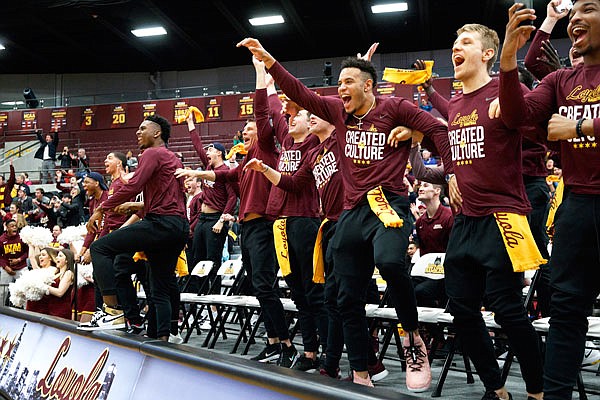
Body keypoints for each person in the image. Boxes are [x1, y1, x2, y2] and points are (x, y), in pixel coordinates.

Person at [237, 38, 449, 390]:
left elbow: (439, 130)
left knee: (392, 263)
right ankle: (361, 374)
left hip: (389, 203)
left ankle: (412, 337)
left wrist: (436, 156)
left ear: (368, 85)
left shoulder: (395, 107)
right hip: (352, 212)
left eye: (347, 82)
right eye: (338, 83)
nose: (340, 88)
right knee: (344, 297)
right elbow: (302, 94)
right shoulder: (337, 113)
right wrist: (270, 61)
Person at [500, 2, 600, 398]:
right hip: (576, 204)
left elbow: (567, 128)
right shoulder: (560, 80)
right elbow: (515, 116)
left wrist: (580, 125)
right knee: (566, 314)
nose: (575, 18)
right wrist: (507, 58)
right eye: (571, 12)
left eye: (587, 9)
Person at [175, 108, 292, 366]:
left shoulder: (265, 154)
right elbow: (220, 174)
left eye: (249, 130)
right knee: (258, 286)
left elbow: (229, 189)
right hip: (248, 228)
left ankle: (287, 345)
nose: (244, 134)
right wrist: (195, 173)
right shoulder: (242, 165)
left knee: (265, 285)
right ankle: (273, 342)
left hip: (263, 225)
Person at [82, 115, 188, 342]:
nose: (137, 132)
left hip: (160, 224)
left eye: (142, 128)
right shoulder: (174, 159)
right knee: (159, 285)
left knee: (100, 248)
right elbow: (171, 198)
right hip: (179, 227)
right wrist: (139, 204)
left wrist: (101, 208)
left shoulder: (151, 153)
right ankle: (164, 338)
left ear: (157, 133)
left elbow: (133, 185)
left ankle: (112, 312)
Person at [186, 112, 237, 281]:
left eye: (211, 150)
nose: (207, 152)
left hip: (216, 219)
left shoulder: (226, 172)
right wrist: (190, 124)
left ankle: (214, 304)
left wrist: (222, 220)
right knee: (196, 259)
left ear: (220, 153)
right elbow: (197, 146)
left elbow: (232, 197)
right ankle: (199, 297)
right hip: (202, 219)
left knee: (212, 260)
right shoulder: (208, 167)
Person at [412, 182, 452, 307]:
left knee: (420, 291)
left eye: (425, 186)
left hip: (447, 274)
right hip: (426, 272)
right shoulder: (420, 222)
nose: (421, 189)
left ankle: (435, 325)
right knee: (400, 290)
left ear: (437, 191)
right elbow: (423, 253)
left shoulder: (449, 217)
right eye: (420, 186)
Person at [26, 247, 75, 320]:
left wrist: (42, 286)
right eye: (57, 256)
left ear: (67, 260)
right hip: (50, 309)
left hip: (61, 310)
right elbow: (34, 260)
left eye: (60, 256)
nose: (57, 258)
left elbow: (60, 292)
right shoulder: (55, 273)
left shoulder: (68, 273)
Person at [0, 220, 29, 306]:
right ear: (7, 228)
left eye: (15, 226)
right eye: (12, 226)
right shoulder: (1, 239)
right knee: (2, 291)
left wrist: (19, 259)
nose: (14, 227)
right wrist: (5, 267)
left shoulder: (22, 238)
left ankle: (27, 310)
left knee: (26, 289)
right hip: (7, 268)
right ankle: (1, 310)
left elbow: (28, 252)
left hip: (21, 267)